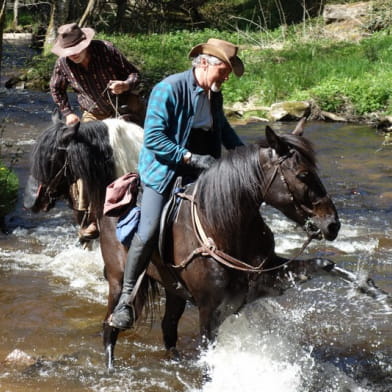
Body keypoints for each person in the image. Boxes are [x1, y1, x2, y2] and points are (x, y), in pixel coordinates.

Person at [109, 38, 245, 330]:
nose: (227, 77)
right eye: (224, 70)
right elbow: (155, 139)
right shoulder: (167, 89)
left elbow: (222, 128)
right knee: (147, 231)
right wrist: (193, 159)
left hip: (203, 163)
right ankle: (126, 302)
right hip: (164, 169)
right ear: (205, 63)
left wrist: (245, 153)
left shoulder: (214, 93)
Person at [49, 22, 144, 240]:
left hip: (123, 109)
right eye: (68, 52)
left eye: (76, 50)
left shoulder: (106, 50)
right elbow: (56, 88)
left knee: (141, 153)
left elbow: (134, 74)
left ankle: (145, 204)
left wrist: (125, 85)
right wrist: (68, 112)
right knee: (83, 159)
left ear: (85, 43)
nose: (72, 55)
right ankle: (90, 217)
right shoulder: (62, 63)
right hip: (91, 113)